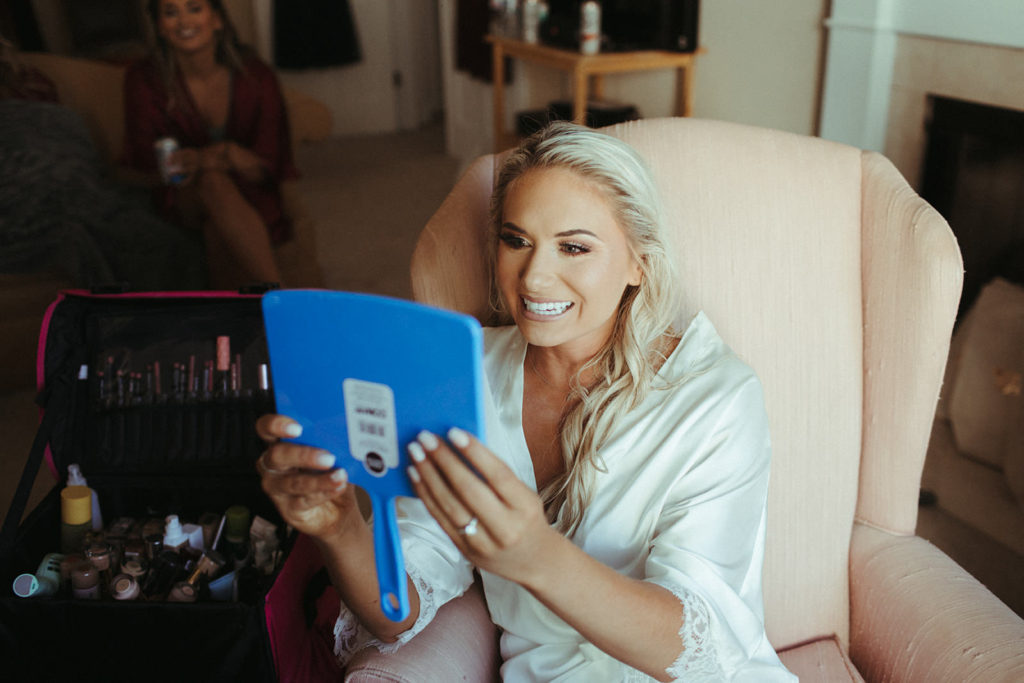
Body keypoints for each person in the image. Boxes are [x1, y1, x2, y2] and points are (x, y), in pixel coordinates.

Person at [256, 122, 796, 681]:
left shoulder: (714, 400)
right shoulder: (460, 378)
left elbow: (697, 645)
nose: (535, 277)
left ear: (639, 261)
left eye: (574, 247)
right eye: (516, 240)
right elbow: (401, 612)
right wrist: (339, 527)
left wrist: (538, 557)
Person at [120, 0, 297, 289]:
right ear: (160, 27)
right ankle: (279, 298)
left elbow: (270, 164)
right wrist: (195, 162)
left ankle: (238, 321)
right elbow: (141, 161)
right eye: (170, 12)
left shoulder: (256, 76)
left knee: (218, 230)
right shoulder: (142, 79)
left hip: (248, 192)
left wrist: (225, 155)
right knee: (211, 181)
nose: (183, 21)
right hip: (179, 197)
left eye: (194, 8)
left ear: (216, 19)